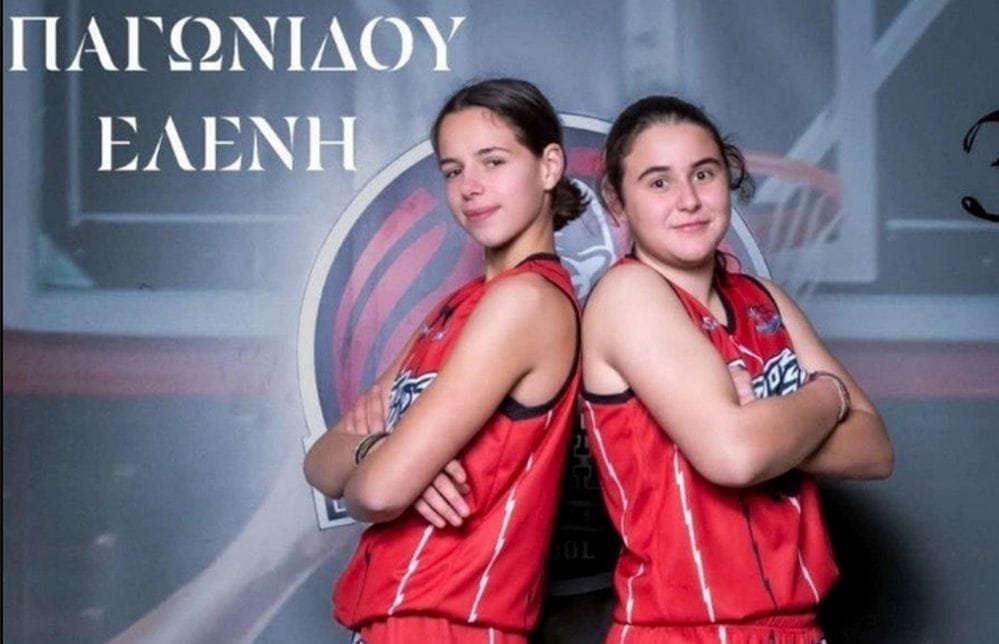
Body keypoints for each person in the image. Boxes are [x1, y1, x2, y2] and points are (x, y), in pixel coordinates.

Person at [581, 95, 894, 644]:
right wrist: (828, 396)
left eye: (703, 174)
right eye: (658, 182)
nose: (688, 200)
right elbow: (735, 456)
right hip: (684, 630)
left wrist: (765, 424)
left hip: (797, 628)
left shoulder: (765, 299)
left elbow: (875, 450)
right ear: (617, 200)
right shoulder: (628, 293)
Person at [304, 78, 586, 644]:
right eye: (453, 170)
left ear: (549, 166)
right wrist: (377, 450)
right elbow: (320, 463)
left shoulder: (525, 300)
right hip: (398, 614)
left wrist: (387, 465)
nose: (470, 187)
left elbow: (377, 494)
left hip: (452, 619)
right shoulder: (456, 306)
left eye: (493, 161)